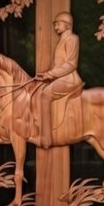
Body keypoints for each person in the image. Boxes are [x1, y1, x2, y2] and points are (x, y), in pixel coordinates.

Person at [34, 12, 83, 147]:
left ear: (67, 24)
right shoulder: (62, 40)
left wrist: (50, 74)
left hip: (70, 79)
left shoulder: (72, 38)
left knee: (44, 95)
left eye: (58, 24)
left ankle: (46, 138)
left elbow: (71, 64)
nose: (55, 27)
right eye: (54, 24)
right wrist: (45, 76)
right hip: (61, 78)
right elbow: (59, 65)